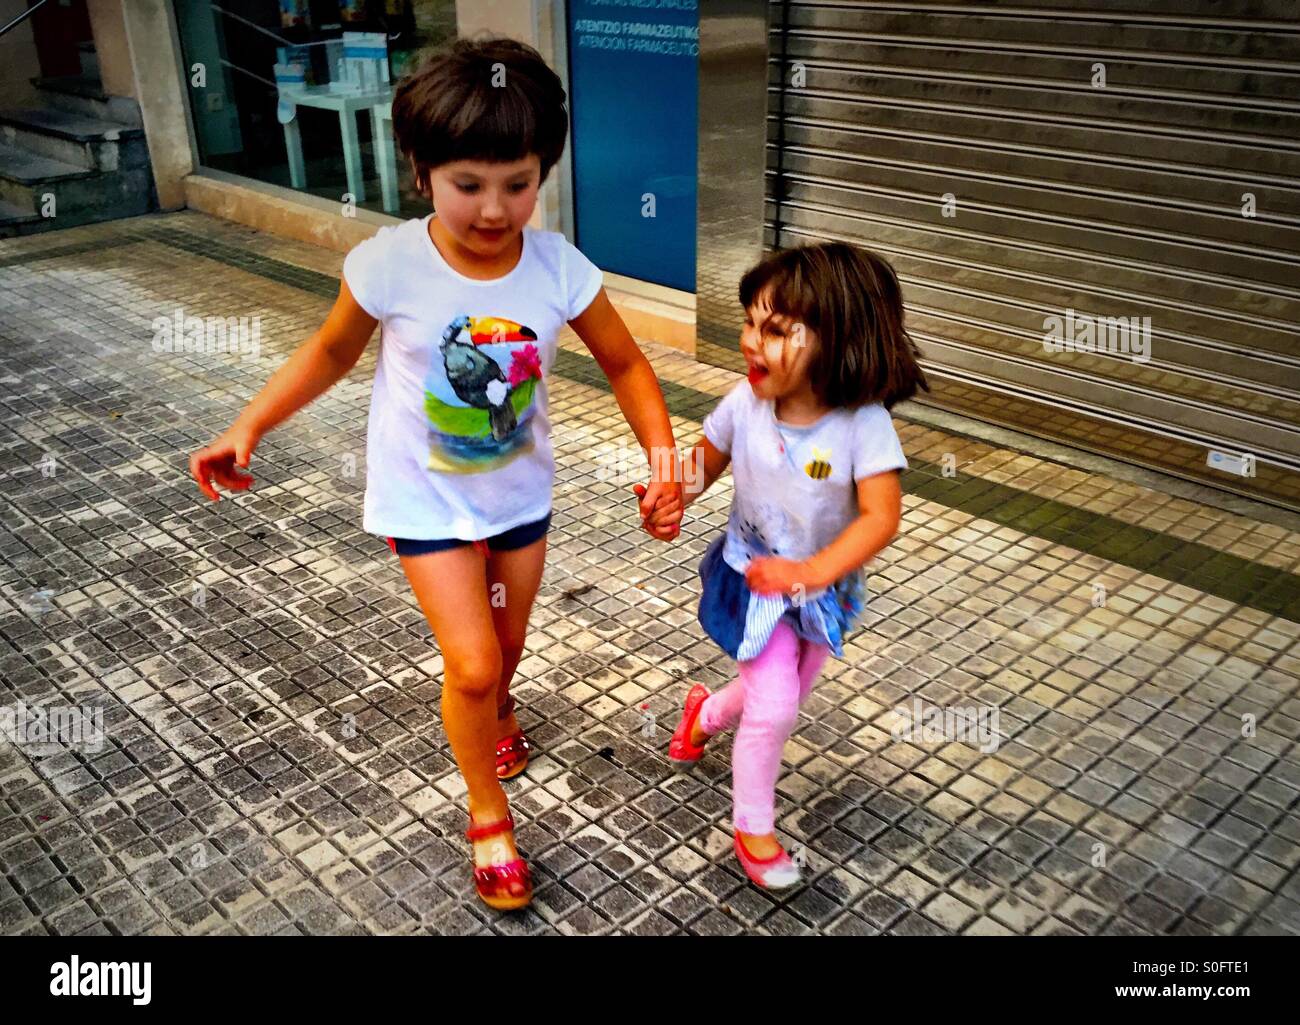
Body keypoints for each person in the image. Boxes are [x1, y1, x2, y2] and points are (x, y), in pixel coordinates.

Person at [190, 37, 682, 912]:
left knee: (508, 653)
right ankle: (488, 815)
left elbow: (629, 366)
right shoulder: (390, 264)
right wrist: (249, 425)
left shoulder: (561, 268)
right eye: (468, 184)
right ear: (421, 173)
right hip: (425, 504)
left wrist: (661, 459)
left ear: (545, 173)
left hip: (520, 501)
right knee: (472, 662)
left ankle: (495, 717)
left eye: (518, 183)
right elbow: (331, 350)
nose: (495, 209)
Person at [655, 241, 926, 888]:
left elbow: (881, 517)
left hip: (819, 588)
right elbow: (704, 462)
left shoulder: (862, 425)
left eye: (776, 331)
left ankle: (704, 713)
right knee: (775, 707)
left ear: (841, 340)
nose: (751, 341)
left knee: (780, 694)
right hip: (752, 579)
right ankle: (753, 829)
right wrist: (672, 494)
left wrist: (811, 573)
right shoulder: (744, 405)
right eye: (751, 322)